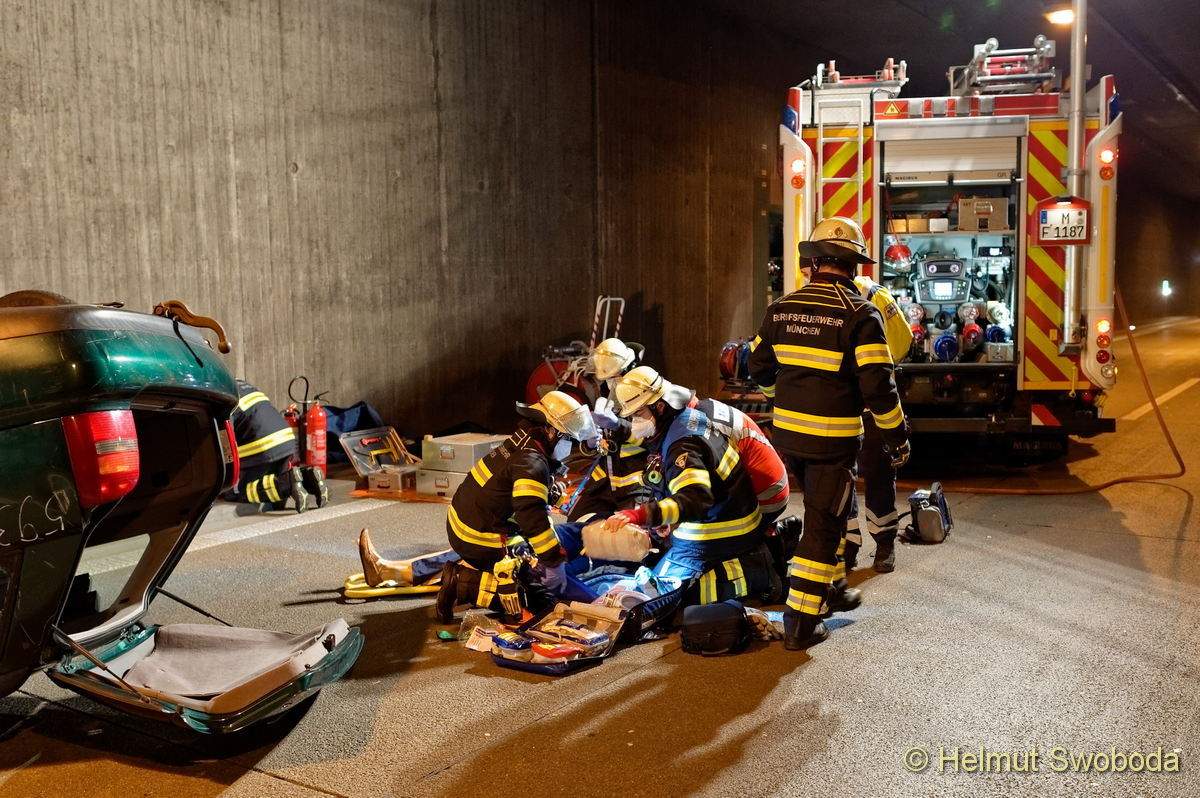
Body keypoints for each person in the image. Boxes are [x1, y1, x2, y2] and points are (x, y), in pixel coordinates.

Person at [749, 216, 909, 650]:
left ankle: (833, 588)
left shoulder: (782, 308)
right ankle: (801, 623)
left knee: (829, 512)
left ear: (814, 262)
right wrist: (897, 438)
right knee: (822, 526)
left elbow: (757, 366)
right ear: (854, 266)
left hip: (788, 439)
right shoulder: (861, 314)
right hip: (832, 442)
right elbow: (879, 387)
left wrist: (781, 398)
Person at [358, 390, 600, 622]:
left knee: (520, 551)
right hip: (482, 537)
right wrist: (552, 562)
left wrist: (548, 489)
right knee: (542, 599)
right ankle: (463, 582)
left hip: (468, 523)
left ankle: (396, 571)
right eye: (569, 440)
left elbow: (511, 491)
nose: (570, 447)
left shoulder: (523, 440)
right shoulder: (532, 463)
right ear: (550, 431)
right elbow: (531, 516)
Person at [798, 263, 914, 574]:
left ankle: (882, 541)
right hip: (840, 406)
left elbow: (899, 345)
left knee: (876, 473)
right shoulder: (823, 298)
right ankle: (851, 544)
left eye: (808, 272)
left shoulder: (871, 295)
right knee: (843, 477)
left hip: (865, 404)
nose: (808, 278)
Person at [609, 367, 766, 586]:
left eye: (638, 414)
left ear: (659, 406)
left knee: (656, 589)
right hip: (733, 514)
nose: (635, 421)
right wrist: (668, 519)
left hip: (722, 532)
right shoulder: (685, 420)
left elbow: (694, 498)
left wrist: (641, 515)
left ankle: (758, 574)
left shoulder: (683, 446)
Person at [227, 379, 327, 513]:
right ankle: (310, 478)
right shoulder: (240, 384)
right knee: (276, 483)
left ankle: (287, 485)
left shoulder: (221, 394)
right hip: (285, 439)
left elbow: (225, 440)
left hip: (262, 448)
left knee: (240, 491)